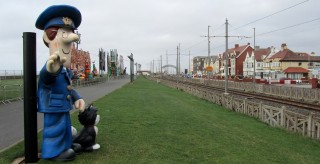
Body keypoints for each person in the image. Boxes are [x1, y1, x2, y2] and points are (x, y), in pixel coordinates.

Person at [35, 5, 85, 161]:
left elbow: (68, 86)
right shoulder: (52, 65)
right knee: (54, 129)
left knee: (64, 126)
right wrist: (51, 70)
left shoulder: (64, 69)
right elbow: (46, 77)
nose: (70, 41)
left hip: (62, 104)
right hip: (53, 105)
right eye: (64, 34)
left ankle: (66, 146)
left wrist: (77, 97)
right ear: (47, 37)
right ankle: (53, 152)